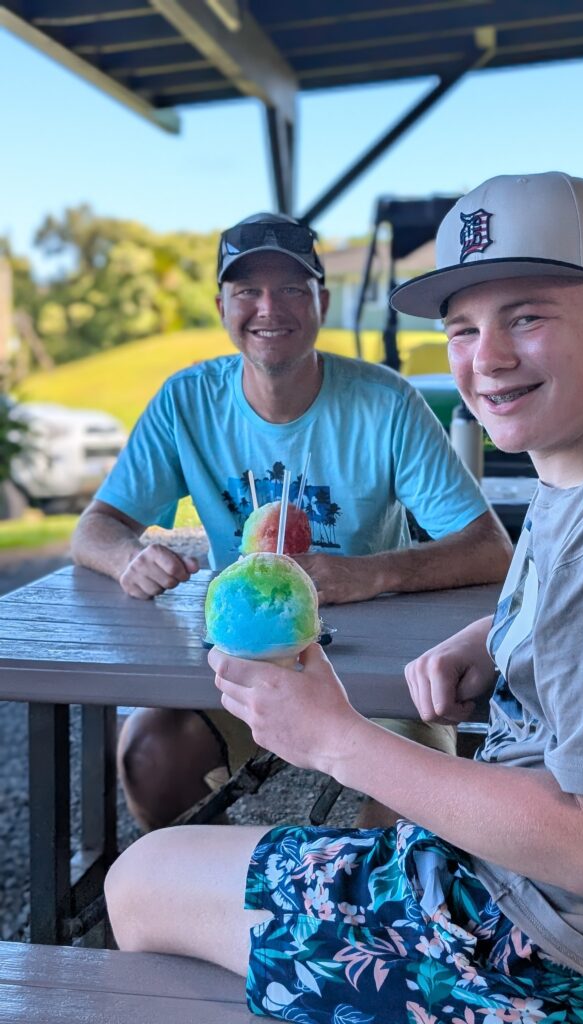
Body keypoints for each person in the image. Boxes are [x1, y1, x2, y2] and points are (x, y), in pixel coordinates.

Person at [104, 173, 583, 1023]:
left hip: (555, 961)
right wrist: (495, 635)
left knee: (141, 884)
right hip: (544, 911)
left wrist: (334, 739)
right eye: (461, 328)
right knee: (178, 872)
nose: (483, 359)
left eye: (525, 317)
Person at [70, 211, 513, 831]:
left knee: (401, 814)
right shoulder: (186, 401)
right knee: (149, 755)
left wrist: (369, 574)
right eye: (246, 290)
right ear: (222, 305)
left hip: (377, 671)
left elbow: (490, 547)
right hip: (246, 656)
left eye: (291, 289)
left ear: (321, 301)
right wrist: (127, 558)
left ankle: (366, 923)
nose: (267, 307)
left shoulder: (386, 403)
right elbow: (96, 526)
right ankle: (200, 905)